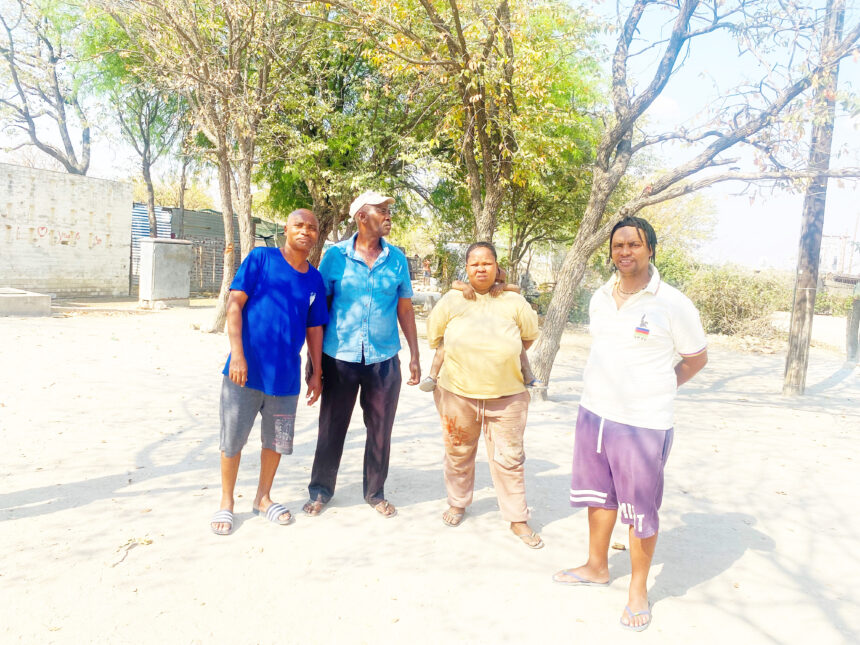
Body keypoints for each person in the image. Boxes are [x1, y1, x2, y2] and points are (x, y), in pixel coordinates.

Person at [552, 216, 708, 631]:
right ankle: (596, 566)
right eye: (618, 245)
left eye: (634, 245)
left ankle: (638, 589)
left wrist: (660, 387)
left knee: (639, 510)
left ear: (650, 249)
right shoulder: (600, 297)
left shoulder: (673, 303)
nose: (625, 252)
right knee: (599, 498)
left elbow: (696, 358)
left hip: (643, 423)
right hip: (594, 413)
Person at [210, 209, 328, 536]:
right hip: (243, 373)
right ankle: (226, 501)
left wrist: (317, 372)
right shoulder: (261, 259)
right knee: (233, 440)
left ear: (317, 235)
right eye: (299, 226)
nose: (305, 231)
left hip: (285, 378)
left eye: (312, 228)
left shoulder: (314, 279)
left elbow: (315, 328)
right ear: (286, 230)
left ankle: (263, 498)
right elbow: (234, 305)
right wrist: (237, 355)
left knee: (276, 442)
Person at [302, 190, 421, 518]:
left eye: (388, 210)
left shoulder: (396, 259)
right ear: (360, 217)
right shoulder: (335, 257)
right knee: (331, 426)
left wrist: (414, 354)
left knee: (381, 429)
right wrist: (313, 361)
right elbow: (320, 309)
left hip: (383, 359)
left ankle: (374, 492)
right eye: (381, 210)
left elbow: (405, 308)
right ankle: (321, 490)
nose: (387, 215)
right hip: (340, 356)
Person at [427, 242, 544, 548]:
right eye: (475, 264)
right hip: (457, 394)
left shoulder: (513, 301)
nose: (481, 268)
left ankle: (517, 518)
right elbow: (435, 335)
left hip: (507, 398)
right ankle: (457, 502)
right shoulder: (452, 299)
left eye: (487, 263)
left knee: (510, 459)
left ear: (497, 267)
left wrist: (500, 358)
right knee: (458, 453)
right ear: (466, 268)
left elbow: (528, 337)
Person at [420, 266, 542, 391]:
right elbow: (455, 283)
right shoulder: (467, 288)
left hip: (495, 334)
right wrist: (465, 287)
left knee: (517, 343)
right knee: (444, 344)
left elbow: (515, 288)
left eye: (497, 278)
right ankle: (432, 375)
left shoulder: (503, 294)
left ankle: (528, 375)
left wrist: (502, 286)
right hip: (465, 333)